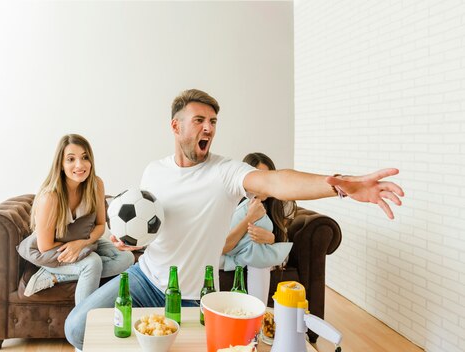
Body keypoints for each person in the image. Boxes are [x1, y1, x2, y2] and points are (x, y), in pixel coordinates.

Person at [64, 89, 403, 350]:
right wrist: (130, 242)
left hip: (190, 297)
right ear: (176, 126)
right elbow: (151, 225)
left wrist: (339, 186)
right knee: (77, 327)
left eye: (213, 122)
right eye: (199, 120)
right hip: (144, 278)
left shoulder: (225, 172)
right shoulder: (154, 171)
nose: (208, 128)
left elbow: (276, 181)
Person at [22, 134, 134, 305]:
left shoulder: (96, 185)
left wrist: (80, 244)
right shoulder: (50, 197)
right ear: (61, 164)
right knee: (92, 263)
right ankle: (83, 322)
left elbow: (99, 226)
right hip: (52, 251)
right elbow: (45, 246)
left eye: (84, 157)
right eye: (71, 159)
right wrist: (78, 249)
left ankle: (59, 276)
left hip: (84, 240)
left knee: (127, 259)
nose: (80, 165)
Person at [220, 152, 297, 304]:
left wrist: (271, 238)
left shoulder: (278, 204)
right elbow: (223, 247)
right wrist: (250, 218)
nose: (263, 185)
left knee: (260, 261)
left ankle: (258, 317)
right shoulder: (230, 201)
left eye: (267, 178)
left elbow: (281, 241)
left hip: (253, 254)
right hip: (227, 254)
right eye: (258, 179)